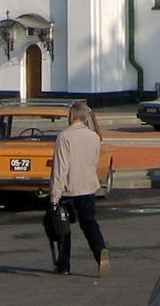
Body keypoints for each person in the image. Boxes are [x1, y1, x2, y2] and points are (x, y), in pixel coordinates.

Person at [47, 107, 109, 277]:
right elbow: (94, 161)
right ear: (86, 118)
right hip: (88, 187)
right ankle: (100, 251)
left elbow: (60, 168)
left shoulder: (64, 137)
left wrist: (54, 195)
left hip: (68, 188)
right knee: (89, 223)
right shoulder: (94, 137)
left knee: (63, 228)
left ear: (72, 116)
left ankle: (63, 264)